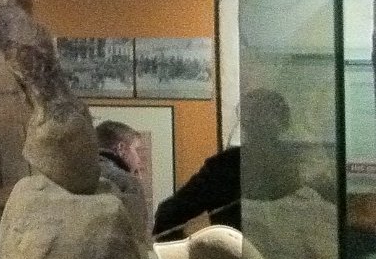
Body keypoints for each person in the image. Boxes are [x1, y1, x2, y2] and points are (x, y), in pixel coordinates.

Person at [152, 88, 292, 237]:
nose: (264, 125)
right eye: (258, 117)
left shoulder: (298, 160)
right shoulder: (227, 165)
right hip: (244, 249)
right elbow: (169, 213)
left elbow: (169, 213)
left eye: (267, 117)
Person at [96, 119, 149, 231]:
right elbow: (137, 234)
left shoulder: (76, 177)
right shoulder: (127, 183)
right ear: (121, 149)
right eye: (137, 150)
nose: (139, 159)